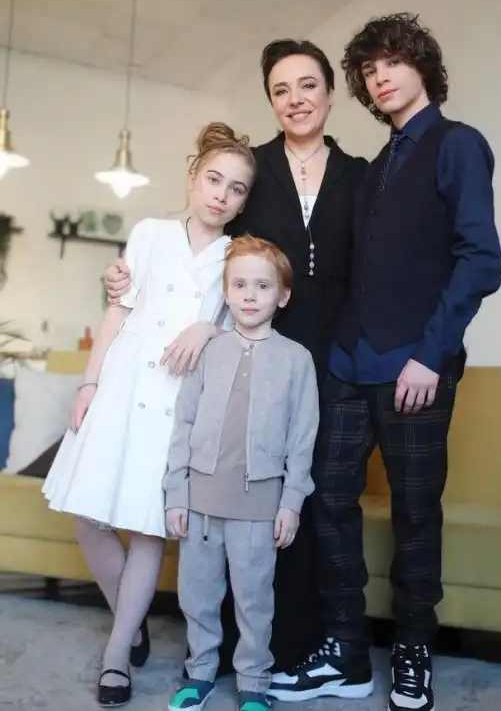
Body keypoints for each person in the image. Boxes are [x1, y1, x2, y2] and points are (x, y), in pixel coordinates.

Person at [103, 38, 368, 671]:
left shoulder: (359, 174)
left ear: (331, 94)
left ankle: (293, 647)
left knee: (304, 496)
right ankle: (217, 650)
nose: (295, 99)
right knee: (232, 494)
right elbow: (206, 253)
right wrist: (124, 282)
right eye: (281, 89)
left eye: (307, 85)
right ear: (271, 101)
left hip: (332, 358)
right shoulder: (256, 169)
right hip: (247, 352)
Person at [268, 13, 501, 711]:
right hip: (349, 362)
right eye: (369, 71)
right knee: (326, 497)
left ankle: (412, 652)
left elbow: (481, 259)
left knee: (415, 512)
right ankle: (346, 650)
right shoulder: (372, 170)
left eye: (393, 62)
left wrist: (432, 354)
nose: (381, 78)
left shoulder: (458, 145)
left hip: (415, 368)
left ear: (422, 66)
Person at [42, 122, 256, 707]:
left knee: (147, 529)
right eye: (214, 179)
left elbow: (248, 329)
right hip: (122, 381)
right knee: (88, 516)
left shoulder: (237, 257)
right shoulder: (150, 233)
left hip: (177, 399)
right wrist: (89, 382)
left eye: (236, 189)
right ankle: (130, 621)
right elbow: (117, 311)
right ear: (192, 178)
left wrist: (209, 327)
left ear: (243, 202)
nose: (221, 195)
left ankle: (117, 656)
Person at [163, 235, 319, 711]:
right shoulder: (209, 351)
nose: (250, 295)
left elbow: (302, 438)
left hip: (259, 505)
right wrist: (176, 493)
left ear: (283, 296)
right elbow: (183, 423)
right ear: (226, 292)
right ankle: (200, 673)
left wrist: (291, 503)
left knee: (254, 600)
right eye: (240, 284)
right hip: (201, 502)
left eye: (262, 286)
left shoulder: (297, 359)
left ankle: (254, 682)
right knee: (198, 596)